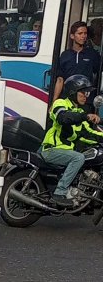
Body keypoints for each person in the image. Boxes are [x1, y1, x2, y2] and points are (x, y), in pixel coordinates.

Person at [41, 74, 103, 207]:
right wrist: (85, 116)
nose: (86, 96)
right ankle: (60, 192)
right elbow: (63, 118)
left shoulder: (79, 111)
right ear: (73, 92)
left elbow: (88, 134)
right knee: (78, 158)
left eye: (87, 93)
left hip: (66, 153)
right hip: (51, 149)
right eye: (83, 92)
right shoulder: (60, 104)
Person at [52, 21, 100, 111]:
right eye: (80, 33)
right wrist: (54, 102)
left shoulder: (92, 54)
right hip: (67, 101)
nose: (83, 36)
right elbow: (60, 79)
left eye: (85, 33)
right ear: (72, 36)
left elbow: (99, 74)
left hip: (86, 101)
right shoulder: (65, 55)